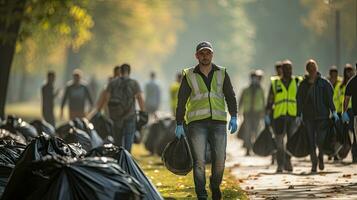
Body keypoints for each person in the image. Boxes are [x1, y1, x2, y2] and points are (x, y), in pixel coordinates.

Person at [175, 41, 238, 200]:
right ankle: (201, 194)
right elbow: (181, 100)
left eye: (208, 53)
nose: (205, 56)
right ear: (197, 56)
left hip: (218, 122)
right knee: (199, 162)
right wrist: (179, 123)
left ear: (212, 55)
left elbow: (230, 96)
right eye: (202, 53)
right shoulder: (189, 75)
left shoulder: (222, 73)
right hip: (197, 124)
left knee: (220, 161)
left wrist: (234, 115)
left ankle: (215, 185)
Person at [296, 59, 339, 173]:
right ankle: (314, 164)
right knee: (311, 141)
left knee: (320, 140)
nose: (312, 71)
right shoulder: (303, 84)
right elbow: (299, 100)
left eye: (314, 68)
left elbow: (329, 98)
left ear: (316, 69)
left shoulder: (324, 83)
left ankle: (320, 156)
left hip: (322, 116)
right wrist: (298, 115)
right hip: (308, 117)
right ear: (307, 70)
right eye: (310, 69)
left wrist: (333, 111)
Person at [96, 63, 145, 152]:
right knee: (128, 140)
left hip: (116, 117)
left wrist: (100, 110)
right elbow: (140, 98)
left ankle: (118, 159)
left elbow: (106, 98)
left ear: (120, 71)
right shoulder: (134, 83)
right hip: (130, 115)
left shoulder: (112, 83)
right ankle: (127, 158)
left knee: (117, 141)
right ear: (129, 72)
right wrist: (143, 111)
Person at [265, 60, 300, 173]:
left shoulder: (297, 81)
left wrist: (301, 113)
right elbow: (270, 99)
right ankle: (280, 165)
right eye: (286, 69)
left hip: (293, 116)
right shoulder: (275, 83)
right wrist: (267, 114)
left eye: (290, 69)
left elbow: (301, 98)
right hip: (278, 117)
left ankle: (288, 162)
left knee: (291, 142)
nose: (288, 71)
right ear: (282, 70)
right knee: (279, 143)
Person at [238, 71, 265, 156]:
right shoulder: (245, 90)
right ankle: (248, 149)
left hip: (257, 113)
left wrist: (264, 113)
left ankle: (256, 149)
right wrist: (239, 111)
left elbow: (263, 102)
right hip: (247, 113)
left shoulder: (260, 90)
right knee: (248, 132)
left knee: (256, 131)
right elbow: (240, 101)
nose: (254, 79)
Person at [341, 63, 357, 163]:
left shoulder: (352, 81)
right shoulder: (352, 82)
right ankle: (354, 155)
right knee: (352, 136)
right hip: (355, 115)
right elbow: (346, 99)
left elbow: (346, 99)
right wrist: (344, 113)